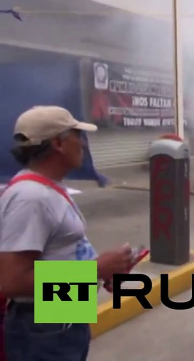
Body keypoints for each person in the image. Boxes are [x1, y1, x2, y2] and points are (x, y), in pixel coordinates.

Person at [0, 106, 134, 361]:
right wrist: (94, 270)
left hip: (62, 325)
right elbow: (12, 281)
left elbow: (59, 254)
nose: (83, 144)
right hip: (44, 331)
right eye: (77, 135)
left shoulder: (48, 189)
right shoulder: (31, 198)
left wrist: (102, 271)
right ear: (58, 143)